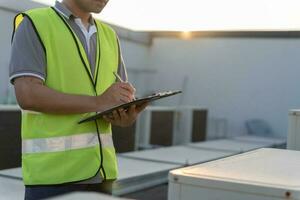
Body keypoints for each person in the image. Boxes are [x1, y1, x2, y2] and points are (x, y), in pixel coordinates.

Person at [9, 0, 148, 199]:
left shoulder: (109, 35)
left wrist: (126, 115)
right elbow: (28, 94)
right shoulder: (34, 23)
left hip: (102, 175)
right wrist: (100, 102)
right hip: (52, 179)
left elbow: (115, 97)